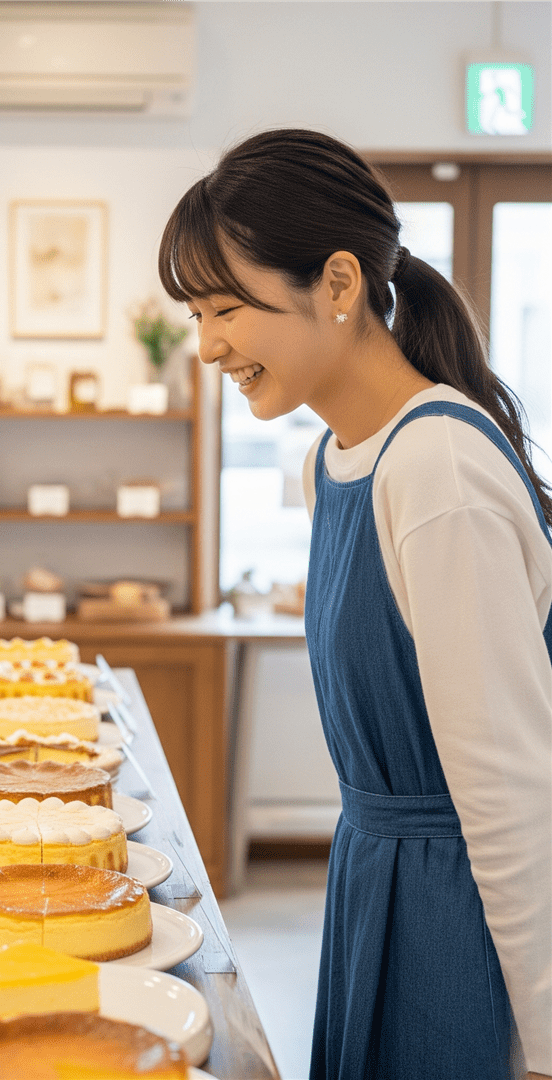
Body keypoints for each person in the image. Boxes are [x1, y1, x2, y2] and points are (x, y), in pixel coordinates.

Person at [158, 128, 551, 1080]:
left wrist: (543, 1037)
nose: (208, 346)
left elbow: (508, 789)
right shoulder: (330, 462)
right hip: (377, 885)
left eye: (224, 309)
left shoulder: (438, 465)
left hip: (465, 919)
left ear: (337, 285)